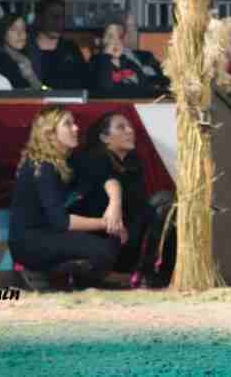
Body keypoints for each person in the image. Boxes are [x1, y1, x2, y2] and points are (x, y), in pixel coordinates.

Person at [8, 107, 121, 291]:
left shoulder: (67, 158)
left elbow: (106, 177)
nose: (76, 128)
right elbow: (61, 222)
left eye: (74, 123)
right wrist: (107, 223)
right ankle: (42, 272)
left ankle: (81, 282)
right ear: (50, 134)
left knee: (109, 242)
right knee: (104, 249)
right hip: (30, 242)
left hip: (50, 234)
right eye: (68, 124)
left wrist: (115, 203)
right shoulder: (44, 166)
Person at [69, 110, 175, 287]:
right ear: (104, 138)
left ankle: (152, 272)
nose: (129, 131)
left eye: (130, 127)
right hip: (99, 232)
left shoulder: (133, 161)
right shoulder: (92, 158)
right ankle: (119, 273)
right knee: (162, 203)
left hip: (128, 232)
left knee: (167, 205)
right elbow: (102, 194)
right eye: (121, 127)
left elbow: (139, 203)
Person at [89, 20, 160, 98]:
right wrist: (106, 57)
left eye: (119, 37)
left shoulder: (130, 64)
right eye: (110, 37)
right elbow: (105, 89)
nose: (116, 42)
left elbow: (146, 87)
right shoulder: (96, 64)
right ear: (98, 41)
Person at [0, 14, 46, 90]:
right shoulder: (1, 61)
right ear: (3, 33)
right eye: (14, 29)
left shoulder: (25, 58)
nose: (20, 34)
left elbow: (42, 88)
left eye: (23, 29)